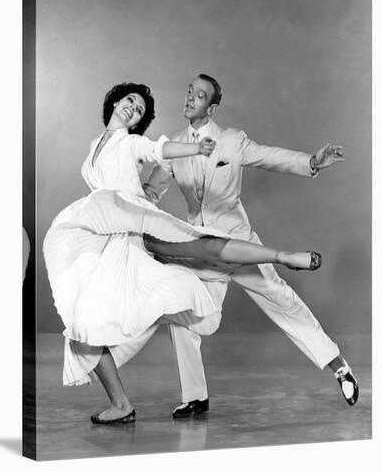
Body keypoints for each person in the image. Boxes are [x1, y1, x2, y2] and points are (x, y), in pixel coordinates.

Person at [43, 82, 323, 424]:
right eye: (130, 101)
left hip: (133, 226)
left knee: (199, 242)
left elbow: (160, 150)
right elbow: (148, 184)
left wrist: (194, 150)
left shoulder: (132, 142)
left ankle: (283, 257)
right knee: (81, 327)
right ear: (115, 101)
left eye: (141, 110)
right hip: (105, 233)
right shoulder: (93, 147)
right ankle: (121, 405)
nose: (134, 108)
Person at [108, 74, 359, 419]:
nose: (190, 98)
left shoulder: (232, 141)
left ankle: (339, 367)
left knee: (283, 301)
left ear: (211, 107)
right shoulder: (175, 146)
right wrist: (120, 202)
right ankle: (195, 396)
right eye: (188, 92)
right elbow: (151, 193)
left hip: (239, 243)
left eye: (199, 95)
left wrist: (311, 163)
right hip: (198, 248)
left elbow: (270, 157)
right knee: (182, 311)